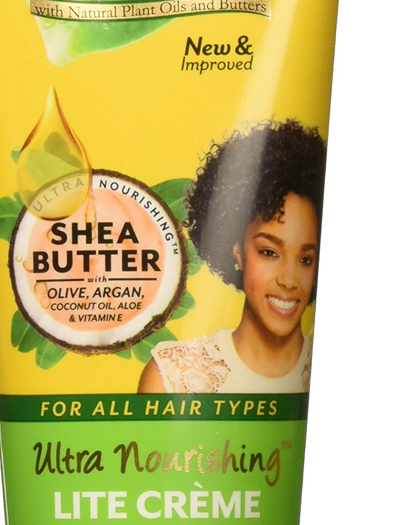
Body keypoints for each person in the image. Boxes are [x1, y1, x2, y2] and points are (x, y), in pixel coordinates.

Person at [138, 119, 326, 393]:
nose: (289, 280)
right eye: (269, 252)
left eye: (306, 259)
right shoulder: (173, 377)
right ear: (237, 252)